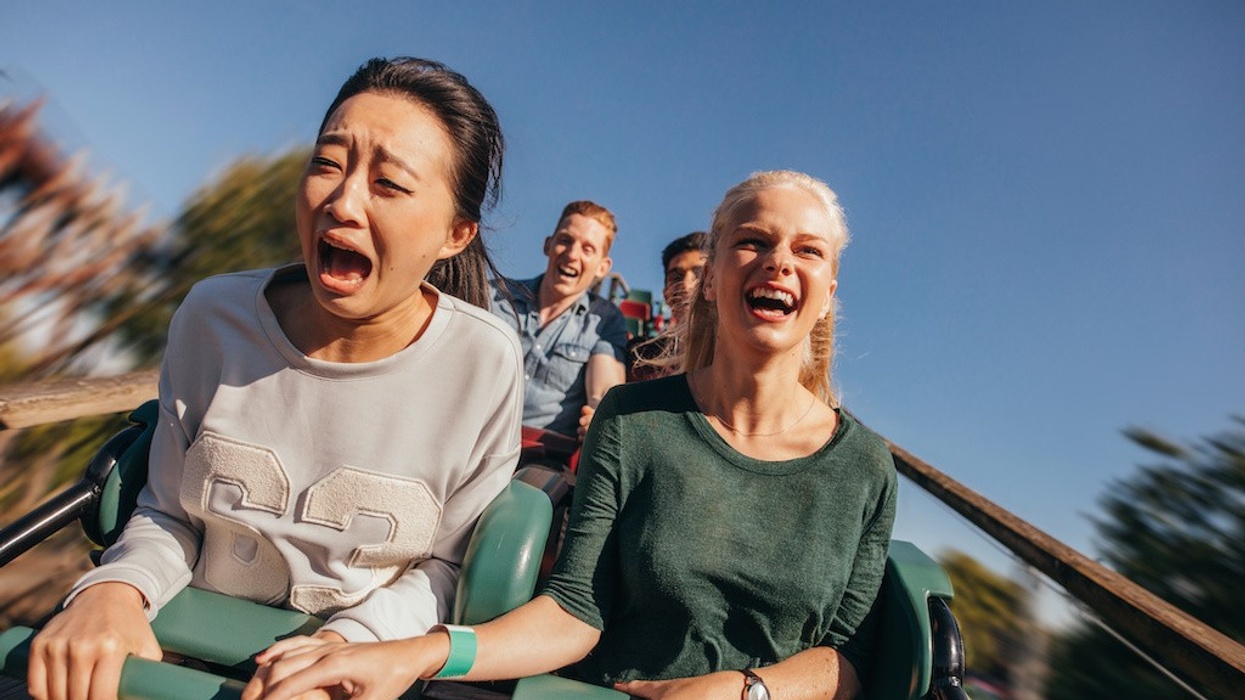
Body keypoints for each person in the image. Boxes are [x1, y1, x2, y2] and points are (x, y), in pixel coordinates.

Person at [242, 170, 899, 700]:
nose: (778, 262)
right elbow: (577, 608)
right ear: (715, 273)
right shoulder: (635, 420)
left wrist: (742, 691)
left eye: (806, 250)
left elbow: (849, 659)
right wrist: (415, 653)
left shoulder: (864, 465)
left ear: (828, 287)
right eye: (753, 242)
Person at [27, 57, 524, 700]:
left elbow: (447, 565)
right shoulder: (212, 317)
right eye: (327, 164)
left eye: (389, 185)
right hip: (177, 657)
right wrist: (115, 592)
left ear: (456, 234)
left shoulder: (483, 362)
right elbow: (168, 513)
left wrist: (347, 648)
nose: (341, 202)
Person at [490, 201, 628, 440]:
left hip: (540, 461)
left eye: (587, 249)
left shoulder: (605, 319)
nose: (572, 255)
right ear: (548, 244)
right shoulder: (493, 295)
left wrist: (600, 415)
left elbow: (604, 392)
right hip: (468, 440)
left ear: (603, 267)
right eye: (565, 240)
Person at [627, 231, 708, 381]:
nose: (686, 285)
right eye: (676, 277)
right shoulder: (639, 357)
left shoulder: (743, 357)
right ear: (665, 293)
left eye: (699, 274)